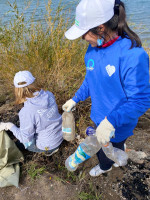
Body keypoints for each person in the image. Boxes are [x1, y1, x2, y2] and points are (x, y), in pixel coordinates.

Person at [62, 0, 150, 176]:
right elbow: (91, 79)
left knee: (106, 150)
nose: (82, 38)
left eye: (84, 33)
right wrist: (76, 98)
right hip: (98, 116)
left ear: (100, 28)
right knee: (106, 144)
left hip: (118, 122)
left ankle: (105, 167)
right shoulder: (92, 49)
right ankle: (116, 152)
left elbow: (141, 100)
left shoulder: (132, 55)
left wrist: (111, 121)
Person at [0, 71, 63, 155]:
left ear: (17, 90)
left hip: (48, 145)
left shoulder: (26, 112)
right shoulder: (48, 94)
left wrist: (8, 125)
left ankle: (46, 151)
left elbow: (25, 139)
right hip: (61, 134)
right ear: (33, 82)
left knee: (21, 144)